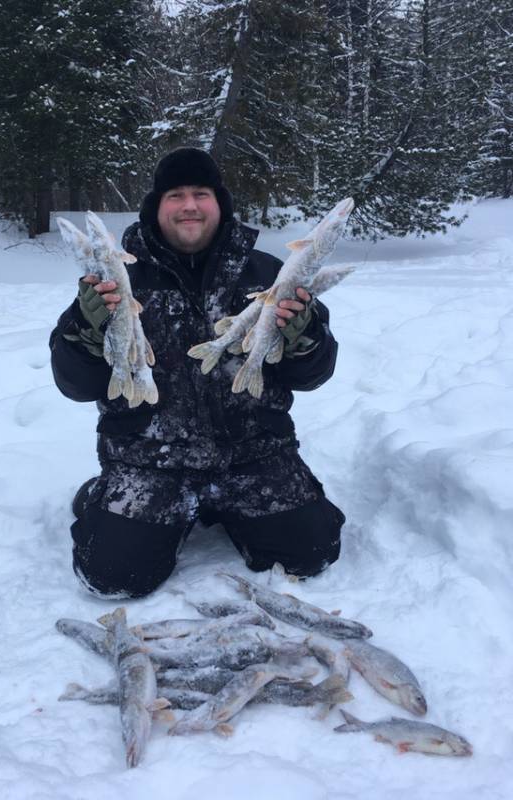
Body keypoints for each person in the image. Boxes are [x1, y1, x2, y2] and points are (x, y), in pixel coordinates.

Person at [49, 147, 345, 598]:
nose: (189, 205)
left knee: (312, 553)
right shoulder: (116, 282)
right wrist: (85, 331)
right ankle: (102, 495)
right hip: (151, 461)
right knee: (111, 576)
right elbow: (75, 384)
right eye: (176, 195)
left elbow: (312, 375)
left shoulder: (269, 275)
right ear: (157, 207)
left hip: (253, 455)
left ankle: (234, 509)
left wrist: (305, 337)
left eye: (201, 193)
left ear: (219, 204)